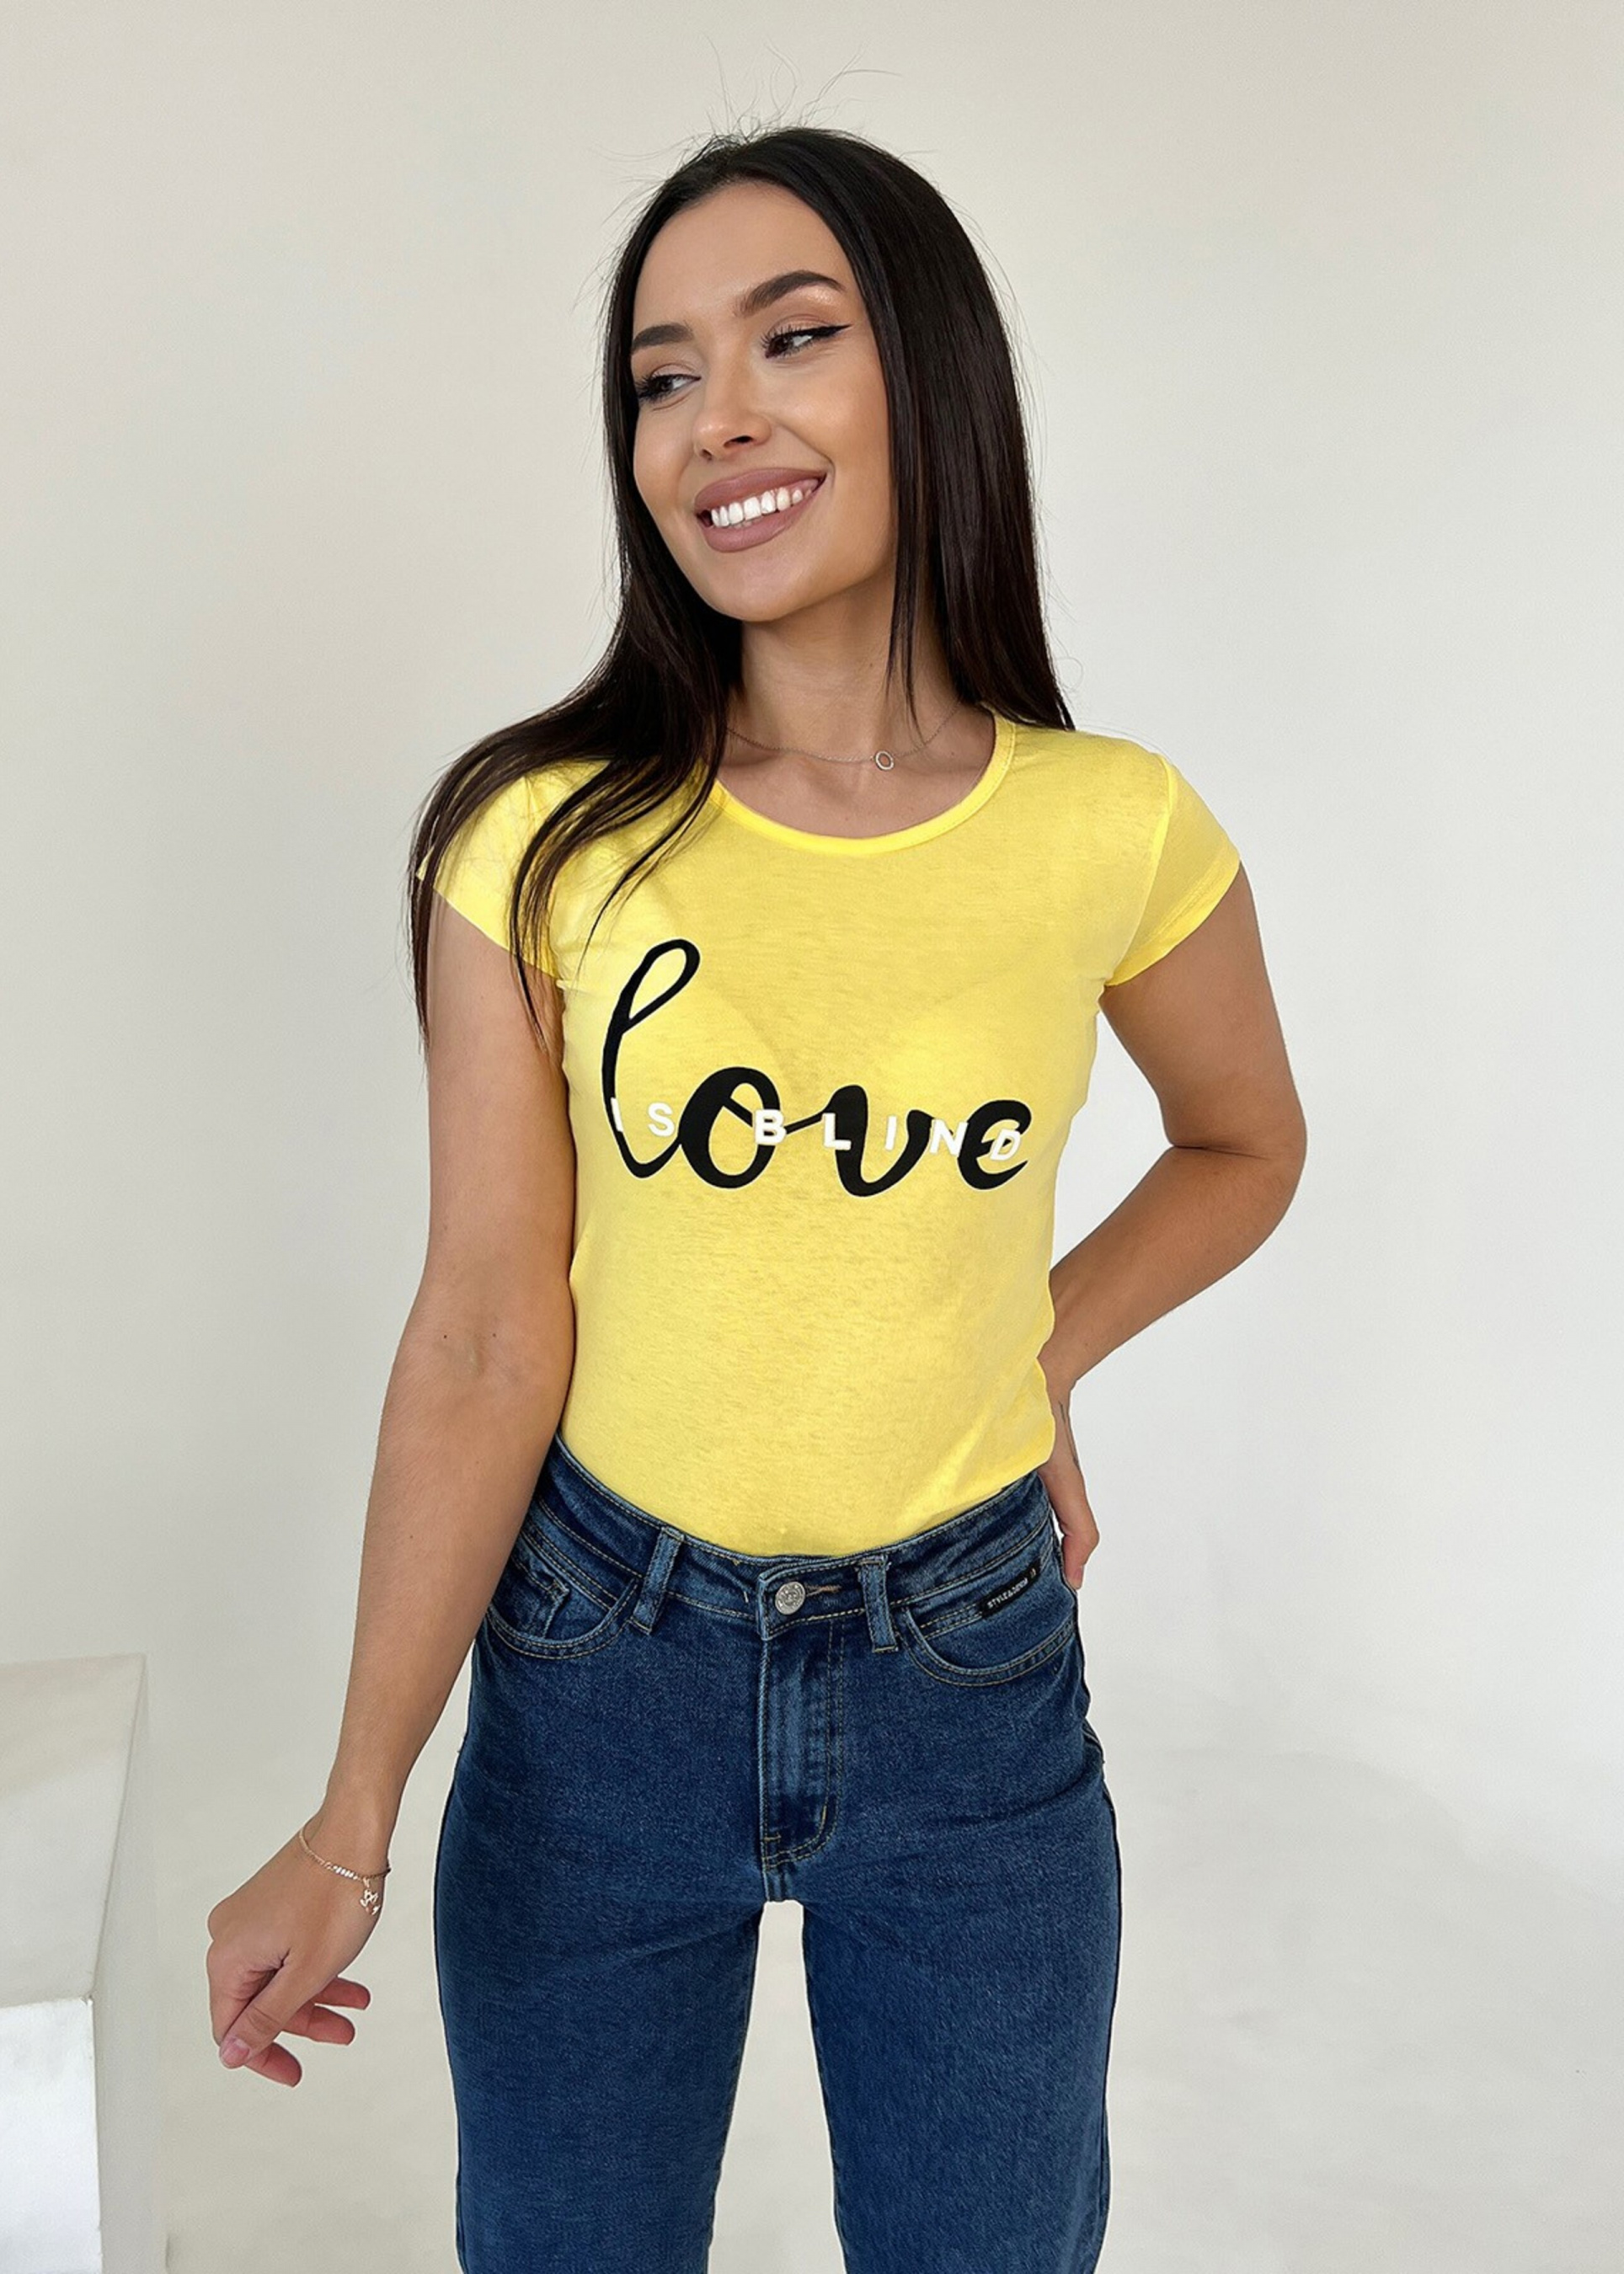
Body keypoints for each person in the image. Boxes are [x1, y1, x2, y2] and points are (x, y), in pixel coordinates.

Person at [205, 122, 1306, 2274]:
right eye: (657, 374)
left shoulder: (1108, 829)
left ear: (928, 374)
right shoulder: (539, 840)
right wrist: (348, 1820)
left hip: (968, 1680)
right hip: (595, 1668)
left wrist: (1033, 1352)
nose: (712, 417)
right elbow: (485, 1330)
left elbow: (1242, 1144)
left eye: (789, 339)